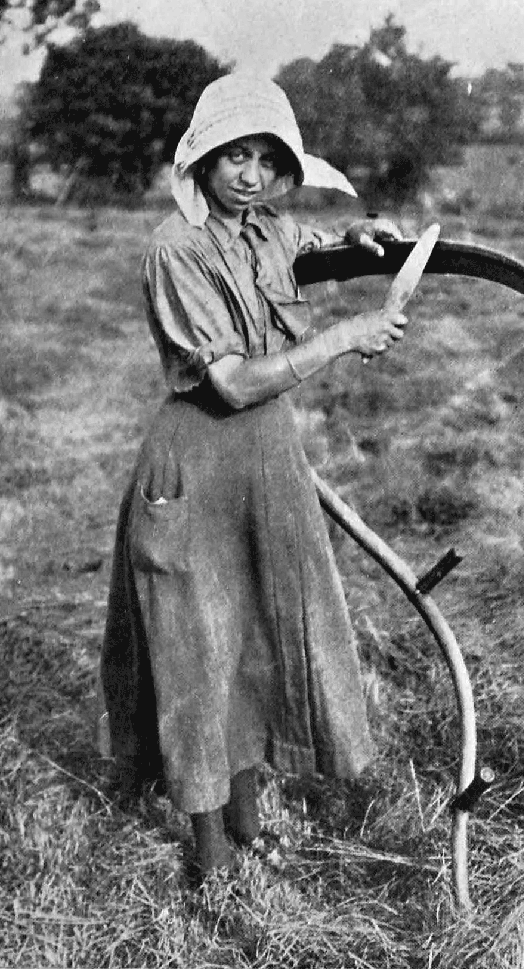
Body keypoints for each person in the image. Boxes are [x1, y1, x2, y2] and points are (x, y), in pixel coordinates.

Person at [99, 72, 407, 876]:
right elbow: (232, 381)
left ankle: (244, 816)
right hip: (197, 461)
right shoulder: (177, 247)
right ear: (201, 160)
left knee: (259, 639)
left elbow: (315, 254)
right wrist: (344, 337)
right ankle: (208, 852)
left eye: (266, 161)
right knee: (196, 648)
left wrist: (366, 237)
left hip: (266, 461)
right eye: (233, 156)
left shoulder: (270, 230)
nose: (249, 175)